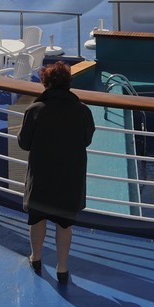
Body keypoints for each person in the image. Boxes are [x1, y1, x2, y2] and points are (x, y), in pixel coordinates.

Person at [18, 59, 95, 283]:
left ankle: (36, 257)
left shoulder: (35, 110)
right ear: (68, 83)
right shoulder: (82, 111)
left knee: (37, 218)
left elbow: (24, 143)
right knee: (64, 223)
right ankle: (62, 268)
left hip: (41, 176)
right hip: (69, 177)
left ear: (45, 83)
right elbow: (86, 139)